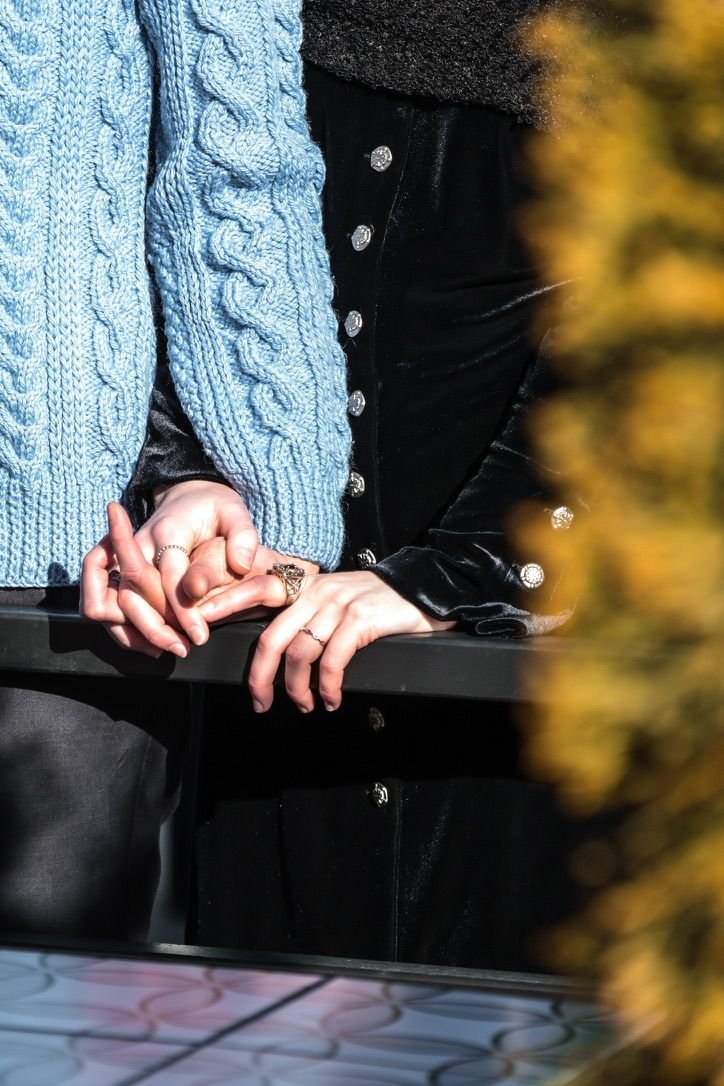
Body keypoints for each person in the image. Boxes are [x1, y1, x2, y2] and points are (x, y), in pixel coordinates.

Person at [88, 0, 590, 968]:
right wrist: (193, 471)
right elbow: (183, 211)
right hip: (273, 689)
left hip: (537, 670)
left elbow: (668, 309)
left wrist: (474, 566)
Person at [0, 0, 349, 941]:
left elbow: (232, 161)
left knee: (36, 997)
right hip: (60, 563)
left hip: (48, 579)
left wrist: (274, 511)